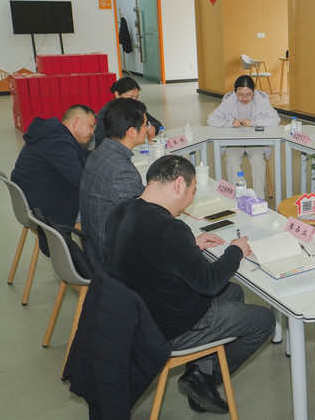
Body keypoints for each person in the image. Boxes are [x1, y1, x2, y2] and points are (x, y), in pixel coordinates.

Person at [107, 155, 275, 414]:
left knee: (234, 291)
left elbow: (146, 253)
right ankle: (203, 379)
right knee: (264, 320)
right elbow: (209, 283)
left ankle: (200, 369)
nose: (190, 200)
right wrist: (236, 251)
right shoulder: (170, 229)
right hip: (173, 326)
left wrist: (189, 247)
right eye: (192, 191)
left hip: (138, 314)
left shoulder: (121, 211)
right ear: (178, 184)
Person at [11, 105, 96, 243]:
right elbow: (81, 181)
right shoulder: (58, 142)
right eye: (91, 126)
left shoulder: (53, 134)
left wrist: (98, 155)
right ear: (76, 122)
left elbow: (80, 156)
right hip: (44, 209)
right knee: (103, 208)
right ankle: (93, 254)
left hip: (33, 199)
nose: (92, 132)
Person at [80, 98, 147, 268]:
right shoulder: (122, 170)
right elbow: (144, 219)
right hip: (111, 258)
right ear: (131, 132)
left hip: (93, 244)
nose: (147, 129)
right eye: (145, 124)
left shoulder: (99, 152)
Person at [207, 75, 280, 198]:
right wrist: (230, 123)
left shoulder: (262, 100)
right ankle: (240, 196)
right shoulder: (228, 101)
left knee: (258, 160)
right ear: (235, 91)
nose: (244, 98)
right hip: (235, 142)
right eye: (240, 94)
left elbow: (275, 119)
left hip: (255, 142)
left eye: (248, 94)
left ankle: (258, 198)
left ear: (254, 92)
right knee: (231, 161)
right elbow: (211, 119)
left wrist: (254, 122)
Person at [93, 76, 162, 148]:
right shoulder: (106, 114)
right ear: (117, 95)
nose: (134, 101)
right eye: (131, 97)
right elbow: (100, 142)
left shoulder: (134, 108)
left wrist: (153, 128)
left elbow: (158, 125)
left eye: (136, 97)